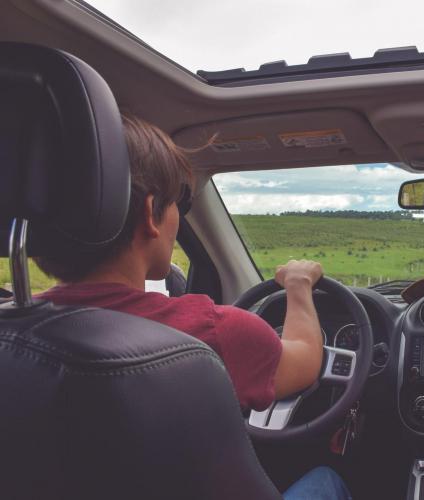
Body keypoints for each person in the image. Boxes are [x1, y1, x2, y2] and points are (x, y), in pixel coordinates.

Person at [34, 113, 351, 499]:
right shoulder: (209, 333)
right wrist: (300, 288)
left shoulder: (13, 334)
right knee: (326, 479)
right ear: (152, 213)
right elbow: (304, 362)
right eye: (180, 204)